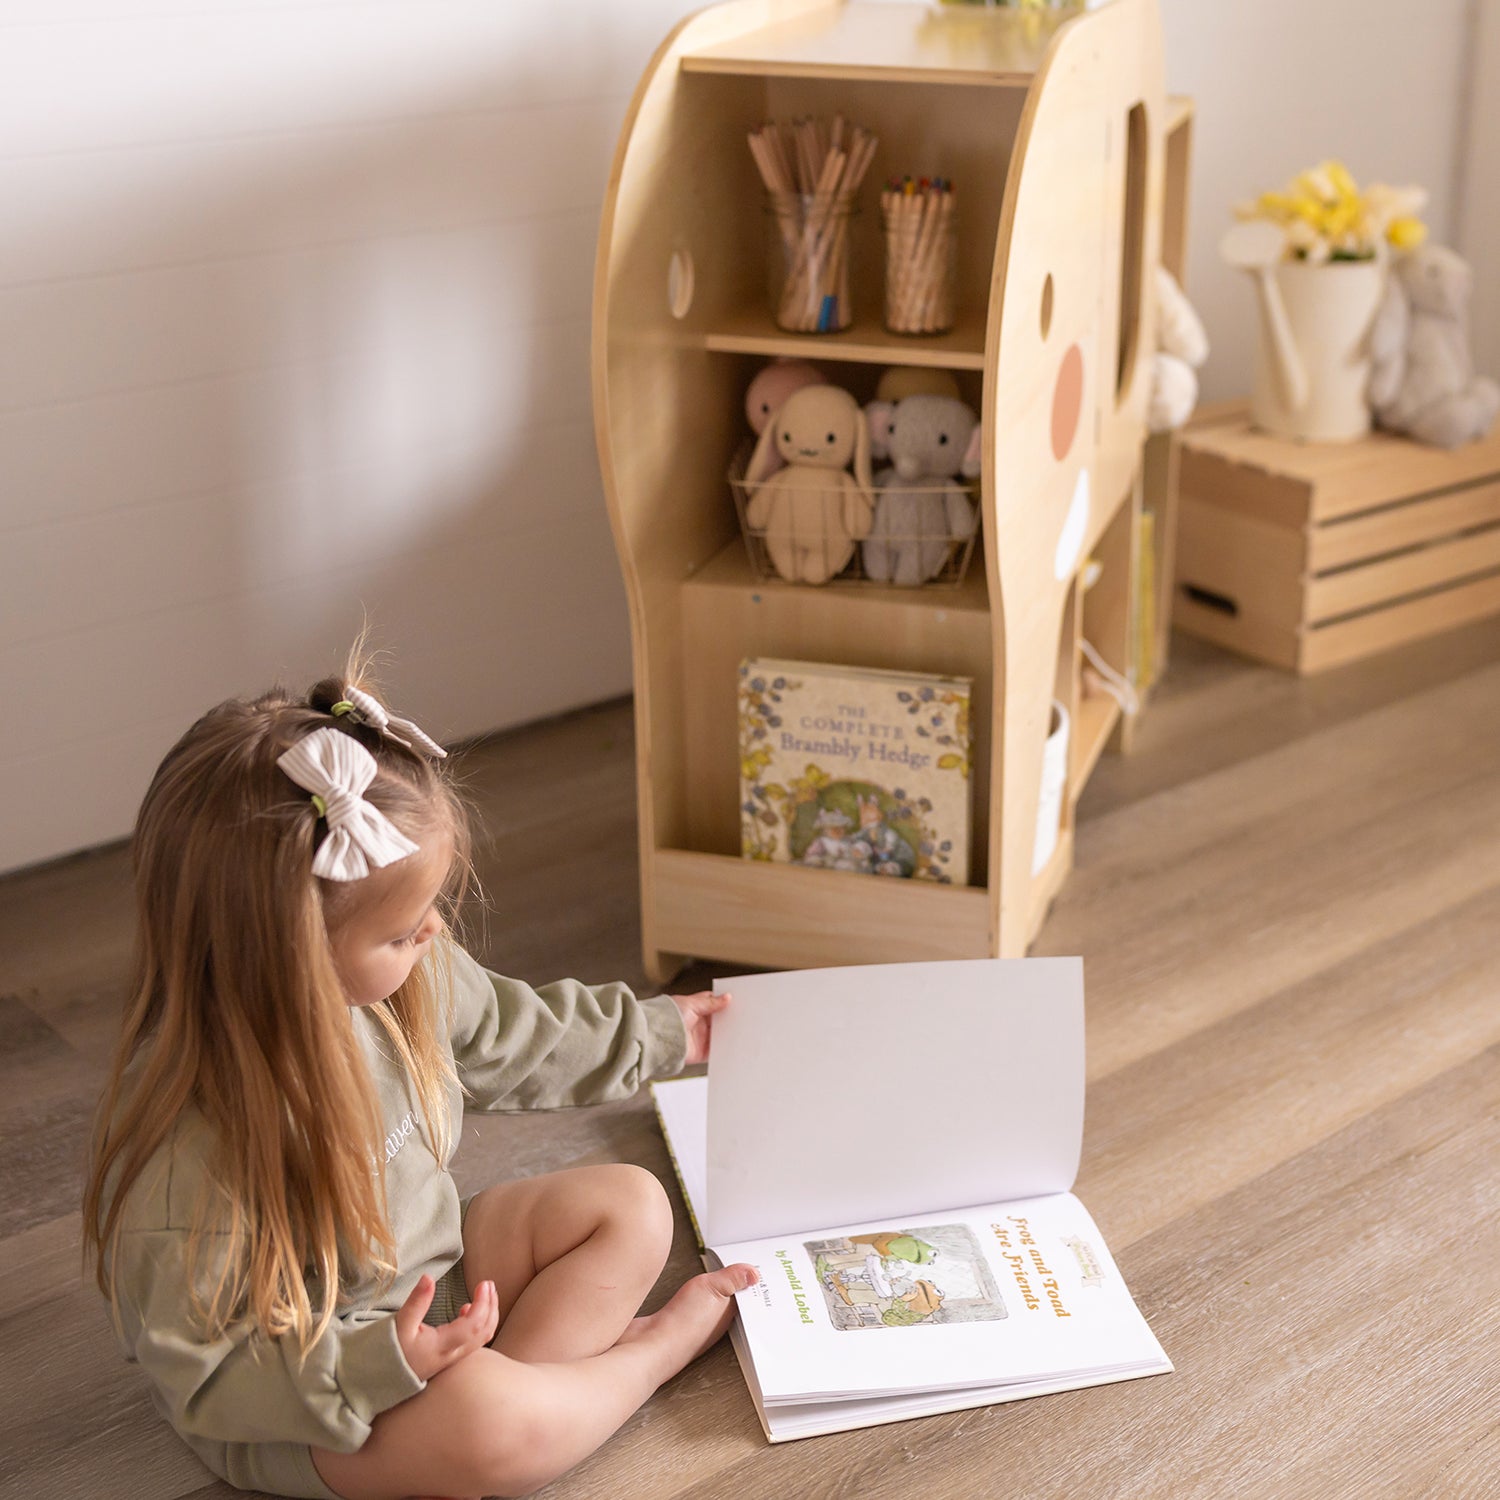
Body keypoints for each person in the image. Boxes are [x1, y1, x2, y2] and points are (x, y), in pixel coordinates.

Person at [82, 664, 757, 1500]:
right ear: (286, 959)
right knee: (485, 1421)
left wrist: (662, 1033)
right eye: (402, 930)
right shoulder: (193, 1154)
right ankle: (640, 1363)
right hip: (309, 1394)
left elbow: (518, 1031)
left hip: (430, 1284)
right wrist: (386, 1365)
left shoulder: (410, 975)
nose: (433, 932)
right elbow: (213, 1376)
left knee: (632, 1205)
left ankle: (520, 1413)